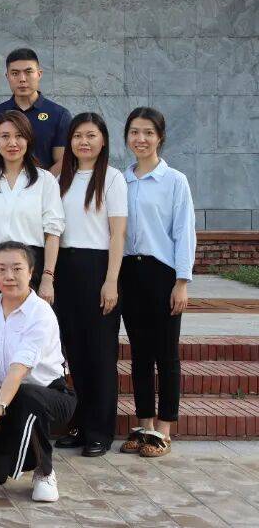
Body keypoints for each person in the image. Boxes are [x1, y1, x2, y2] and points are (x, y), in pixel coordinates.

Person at [0, 242, 75, 503]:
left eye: (17, 269)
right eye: (1, 269)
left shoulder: (40, 313)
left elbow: (17, 371)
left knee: (26, 397)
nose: (9, 276)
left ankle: (44, 472)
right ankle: (18, 455)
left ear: (31, 272)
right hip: (4, 394)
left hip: (47, 394)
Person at [118, 107, 196, 458]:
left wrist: (182, 281)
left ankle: (163, 429)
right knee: (139, 354)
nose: (141, 139)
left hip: (162, 273)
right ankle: (144, 424)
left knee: (166, 353)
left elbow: (184, 232)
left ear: (160, 137)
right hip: (129, 273)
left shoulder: (174, 181)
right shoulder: (121, 180)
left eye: (148, 132)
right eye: (135, 132)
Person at [51, 113, 127, 458]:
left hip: (98, 268)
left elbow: (118, 234)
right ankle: (80, 425)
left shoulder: (112, 178)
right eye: (78, 135)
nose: (84, 142)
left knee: (100, 353)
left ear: (103, 140)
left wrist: (111, 281)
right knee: (75, 353)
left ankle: (100, 430)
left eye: (91, 135)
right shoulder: (59, 179)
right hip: (65, 268)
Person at [0, 111, 65, 300]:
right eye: (5, 136)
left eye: (19, 136)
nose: (12, 143)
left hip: (31, 268)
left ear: (28, 139)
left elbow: (53, 233)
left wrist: (48, 277)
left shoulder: (45, 180)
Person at [0, 48, 71, 176]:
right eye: (15, 73)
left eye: (28, 72)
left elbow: (63, 160)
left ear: (39, 74)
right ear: (7, 76)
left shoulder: (59, 115)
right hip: (3, 186)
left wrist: (41, 183)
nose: (22, 79)